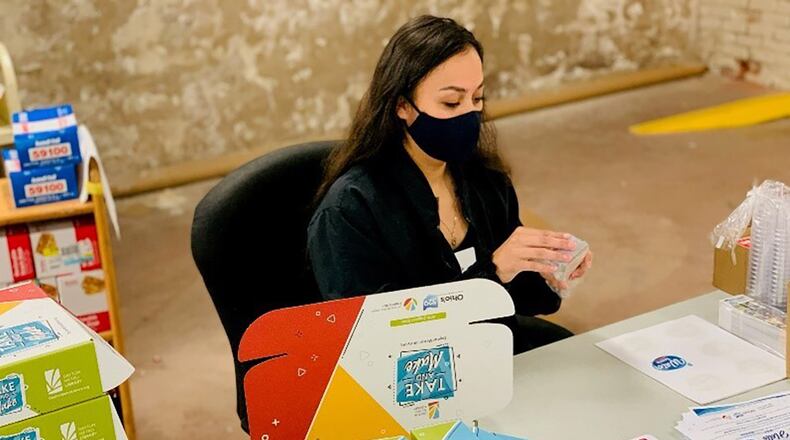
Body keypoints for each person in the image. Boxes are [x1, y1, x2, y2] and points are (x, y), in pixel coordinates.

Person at [307, 15, 593, 354]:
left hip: (487, 352)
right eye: (451, 102)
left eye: (477, 98)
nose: (469, 115)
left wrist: (550, 272)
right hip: (412, 378)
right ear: (402, 105)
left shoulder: (484, 181)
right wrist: (492, 271)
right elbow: (379, 338)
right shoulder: (351, 210)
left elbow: (513, 302)